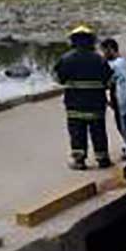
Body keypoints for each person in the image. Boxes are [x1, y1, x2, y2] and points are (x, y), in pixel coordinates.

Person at [53, 25, 114, 170]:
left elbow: (58, 79)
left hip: (74, 104)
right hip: (96, 104)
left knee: (77, 133)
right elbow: (109, 81)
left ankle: (79, 160)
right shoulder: (99, 60)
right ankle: (102, 159)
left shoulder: (66, 59)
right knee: (98, 132)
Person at [99, 38, 126, 137]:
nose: (103, 54)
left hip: (121, 100)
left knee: (124, 126)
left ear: (111, 49)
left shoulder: (115, 65)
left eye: (104, 51)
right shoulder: (122, 62)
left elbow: (108, 82)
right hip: (120, 99)